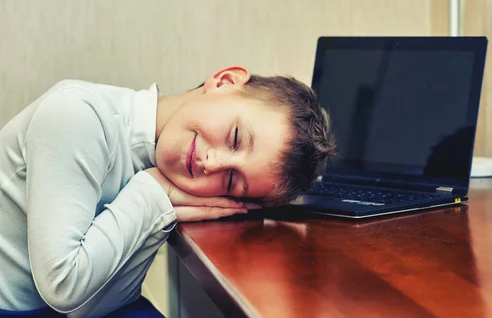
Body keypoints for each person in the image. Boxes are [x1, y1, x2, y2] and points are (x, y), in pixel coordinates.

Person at [0, 66, 335, 317]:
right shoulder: (77, 117)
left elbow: (94, 303)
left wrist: (160, 203)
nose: (211, 162)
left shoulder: (168, 169)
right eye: (235, 137)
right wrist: (152, 193)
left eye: (232, 181)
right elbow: (63, 286)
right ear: (225, 81)